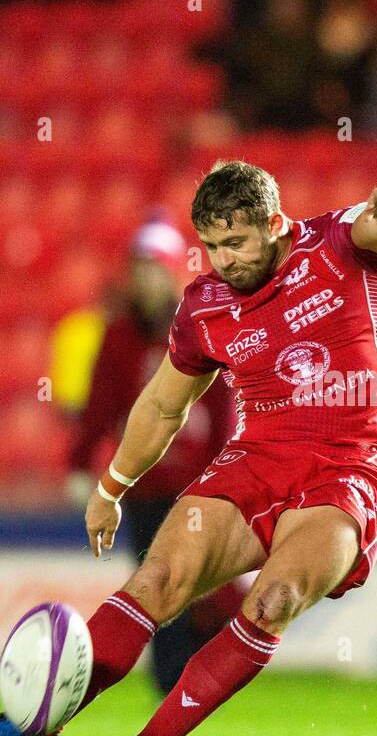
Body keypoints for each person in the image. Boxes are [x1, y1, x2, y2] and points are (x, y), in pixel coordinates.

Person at [0, 161, 377, 736]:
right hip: (257, 455)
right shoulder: (205, 306)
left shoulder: (333, 243)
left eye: (237, 243)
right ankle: (35, 730)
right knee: (161, 577)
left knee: (274, 599)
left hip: (349, 467)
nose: (223, 260)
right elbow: (162, 406)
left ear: (276, 225)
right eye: (212, 246)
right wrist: (110, 488)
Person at [63, 216, 247, 694]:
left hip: (195, 481)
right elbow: (101, 402)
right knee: (157, 580)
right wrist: (82, 462)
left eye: (155, 268)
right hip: (145, 483)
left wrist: (223, 472)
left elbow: (222, 405)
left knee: (197, 584)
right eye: (139, 269)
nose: (146, 279)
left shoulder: (200, 327)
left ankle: (197, 676)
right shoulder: (119, 334)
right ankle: (172, 683)